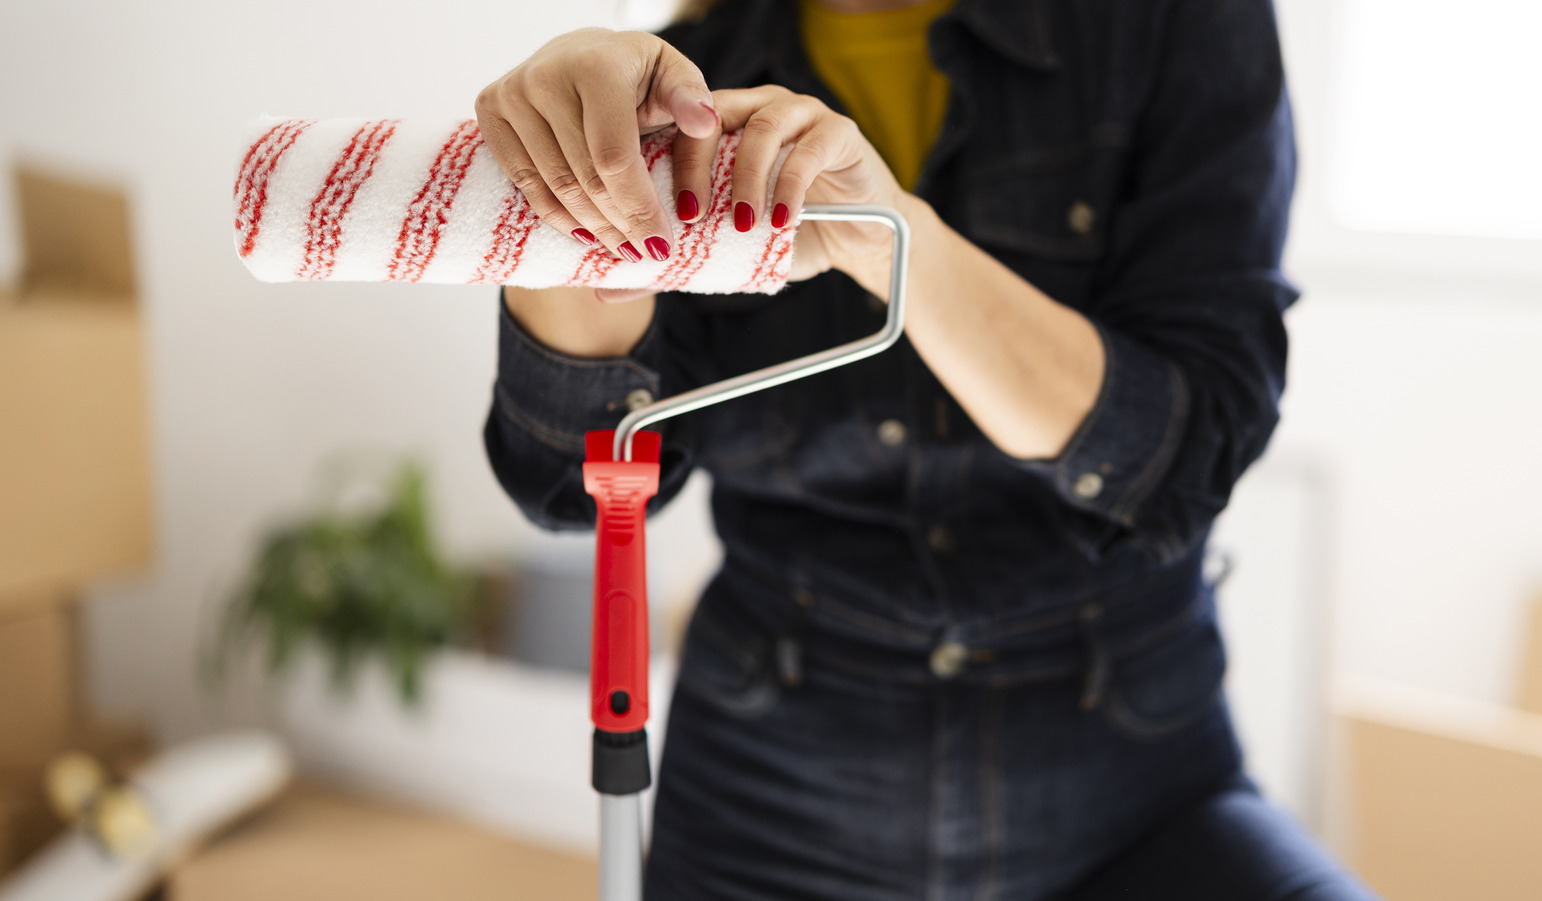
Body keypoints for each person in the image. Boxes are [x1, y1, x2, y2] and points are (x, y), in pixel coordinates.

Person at [475, 0, 1377, 898]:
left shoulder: (1171, 24)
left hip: (1136, 782)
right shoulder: (685, 83)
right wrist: (566, 224)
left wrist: (891, 236)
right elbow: (572, 481)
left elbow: (1183, 453)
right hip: (769, 793)